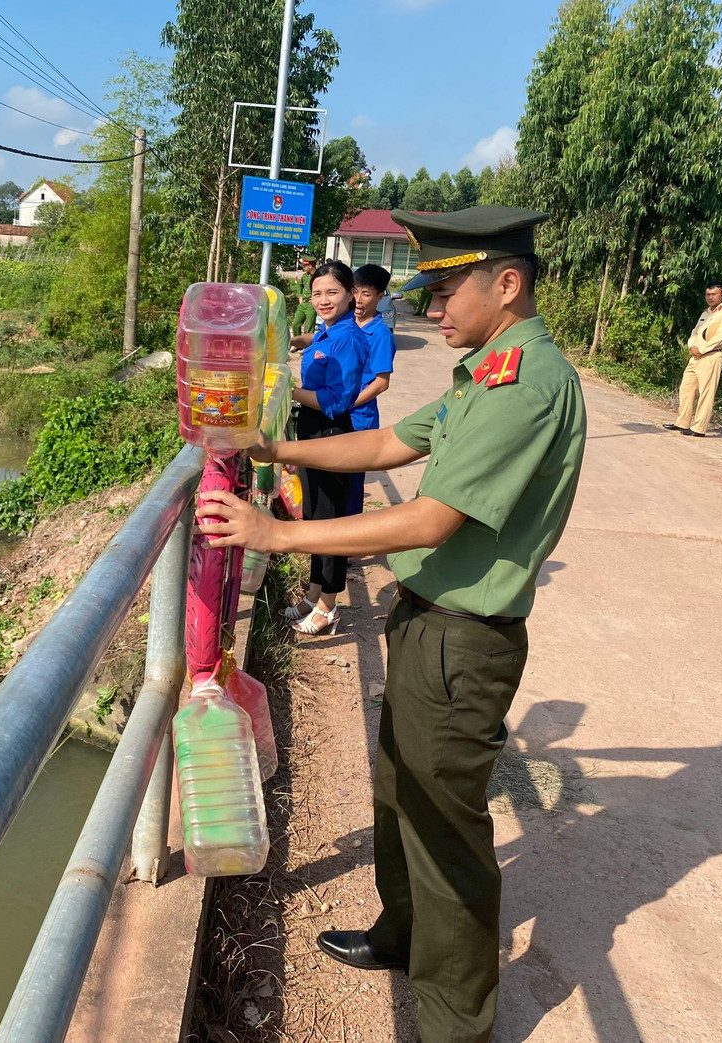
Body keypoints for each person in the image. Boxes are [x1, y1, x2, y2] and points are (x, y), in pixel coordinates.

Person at [197, 206, 587, 1043]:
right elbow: (384, 450)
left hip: (463, 637)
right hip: (425, 625)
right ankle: (401, 935)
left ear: (507, 283)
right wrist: (277, 451)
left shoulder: (526, 383)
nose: (431, 308)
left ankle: (455, 1025)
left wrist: (280, 533)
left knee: (445, 834)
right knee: (396, 795)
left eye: (445, 290)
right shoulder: (482, 373)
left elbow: (427, 521)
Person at [285, 259, 370, 636]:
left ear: (351, 294)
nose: (323, 299)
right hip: (313, 429)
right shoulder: (326, 332)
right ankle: (315, 591)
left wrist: (286, 390)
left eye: (332, 292)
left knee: (331, 521)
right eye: (317, 292)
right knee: (317, 517)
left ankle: (328, 605)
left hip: (332, 433)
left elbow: (338, 401)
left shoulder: (349, 338)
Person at [344, 264, 396, 516]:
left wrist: (348, 403)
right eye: (355, 291)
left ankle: (349, 544)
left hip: (358, 419)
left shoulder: (380, 334)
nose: (358, 300)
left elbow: (381, 382)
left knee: (352, 484)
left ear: (380, 297)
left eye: (366, 294)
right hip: (333, 411)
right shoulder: (344, 324)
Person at [665, 281, 722, 437]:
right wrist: (691, 346)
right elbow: (695, 332)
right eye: (708, 294)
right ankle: (682, 422)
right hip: (695, 356)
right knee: (686, 388)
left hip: (711, 356)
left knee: (706, 393)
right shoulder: (705, 313)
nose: (710, 297)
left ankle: (699, 428)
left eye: (713, 294)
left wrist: (702, 349)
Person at [291, 256, 318, 340]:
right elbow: (299, 285)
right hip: (303, 304)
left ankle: (308, 346)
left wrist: (315, 298)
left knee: (309, 327)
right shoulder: (304, 276)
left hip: (311, 305)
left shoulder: (317, 276)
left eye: (304, 266)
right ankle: (297, 343)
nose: (303, 268)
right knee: (296, 324)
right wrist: (300, 296)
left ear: (310, 266)